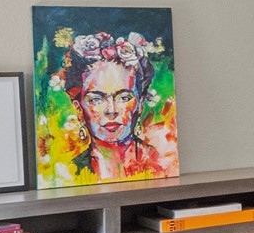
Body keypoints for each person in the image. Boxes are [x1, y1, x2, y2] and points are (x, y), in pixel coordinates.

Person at [46, 30, 176, 184]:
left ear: (140, 104)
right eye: (96, 99)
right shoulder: (68, 174)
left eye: (124, 98)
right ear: (79, 107)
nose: (111, 110)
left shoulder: (163, 165)